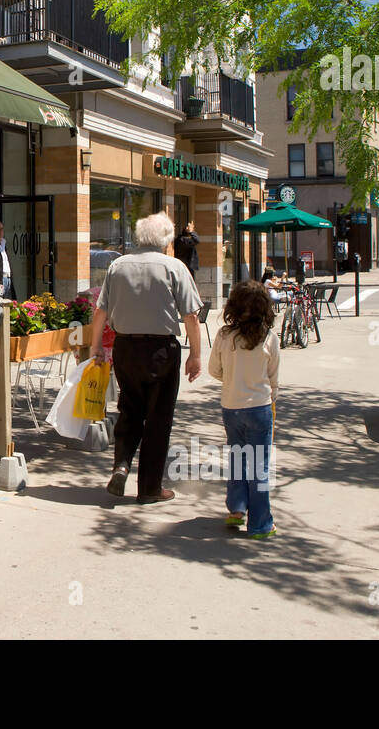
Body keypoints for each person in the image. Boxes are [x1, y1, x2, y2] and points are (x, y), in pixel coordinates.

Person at [90, 213, 203, 504]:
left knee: (129, 410)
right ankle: (150, 488)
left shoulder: (118, 265)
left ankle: (122, 464)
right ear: (166, 240)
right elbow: (191, 316)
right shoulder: (175, 267)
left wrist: (95, 348)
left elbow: (100, 311)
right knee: (158, 419)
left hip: (125, 347)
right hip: (161, 351)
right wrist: (196, 356)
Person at [208, 281, 280, 540]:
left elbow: (214, 370)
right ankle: (260, 523)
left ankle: (237, 508)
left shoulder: (224, 336)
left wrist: (232, 378)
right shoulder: (269, 338)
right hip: (259, 407)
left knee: (237, 457)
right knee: (259, 465)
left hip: (231, 406)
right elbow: (273, 379)